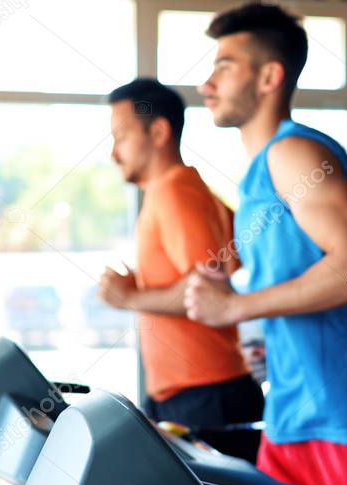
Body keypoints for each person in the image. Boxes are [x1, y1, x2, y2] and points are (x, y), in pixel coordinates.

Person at [185, 3, 347, 485]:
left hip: (344, 409)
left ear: (270, 76)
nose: (206, 84)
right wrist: (275, 338)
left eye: (224, 66)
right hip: (295, 406)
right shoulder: (262, 172)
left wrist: (236, 307)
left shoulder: (292, 153)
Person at [99, 78, 264, 462]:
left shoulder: (176, 191)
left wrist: (131, 297)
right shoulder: (183, 190)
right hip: (192, 393)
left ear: (158, 131)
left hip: (206, 395)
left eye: (120, 136)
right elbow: (223, 266)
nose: (113, 152)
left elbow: (205, 287)